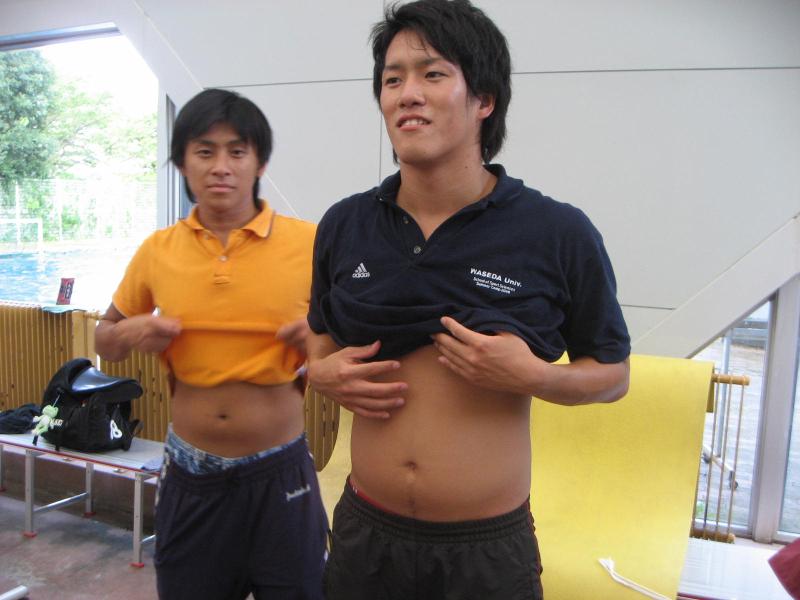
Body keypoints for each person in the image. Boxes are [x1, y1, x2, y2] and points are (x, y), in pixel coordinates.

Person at [307, 1, 631, 598]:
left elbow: (613, 375)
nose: (408, 94)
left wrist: (535, 376)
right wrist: (318, 372)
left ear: (484, 99)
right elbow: (319, 336)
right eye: (392, 80)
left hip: (486, 552)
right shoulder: (345, 224)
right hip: (365, 535)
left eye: (433, 74)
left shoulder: (556, 231)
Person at [95, 88, 327, 600]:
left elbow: (351, 338)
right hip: (190, 473)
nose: (221, 166)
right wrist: (129, 332)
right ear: (182, 163)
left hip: (281, 471)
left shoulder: (310, 243)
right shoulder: (157, 251)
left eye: (237, 151)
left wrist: (318, 339)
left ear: (259, 162)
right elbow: (104, 339)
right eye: (205, 151)